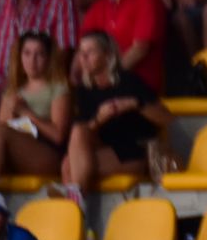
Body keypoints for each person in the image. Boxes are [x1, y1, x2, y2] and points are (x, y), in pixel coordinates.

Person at [63, 30, 170, 223]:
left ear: (107, 55)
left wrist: (134, 103)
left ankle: (75, 218)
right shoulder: (84, 90)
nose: (84, 57)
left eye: (90, 52)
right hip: (101, 148)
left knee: (69, 167)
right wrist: (99, 119)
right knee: (77, 136)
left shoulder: (128, 80)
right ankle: (78, 214)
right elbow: (85, 131)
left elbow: (166, 119)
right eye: (81, 52)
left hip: (132, 151)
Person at [0, 30, 74, 193]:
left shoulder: (58, 89)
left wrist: (27, 112)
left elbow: (58, 135)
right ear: (19, 57)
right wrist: (12, 112)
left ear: (48, 58)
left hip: (47, 154)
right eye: (27, 53)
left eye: (39, 54)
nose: (32, 61)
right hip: (14, 152)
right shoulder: (12, 91)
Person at [81, 0, 169, 93]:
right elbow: (83, 47)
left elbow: (140, 49)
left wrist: (109, 77)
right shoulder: (100, 4)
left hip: (137, 86)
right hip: (103, 84)